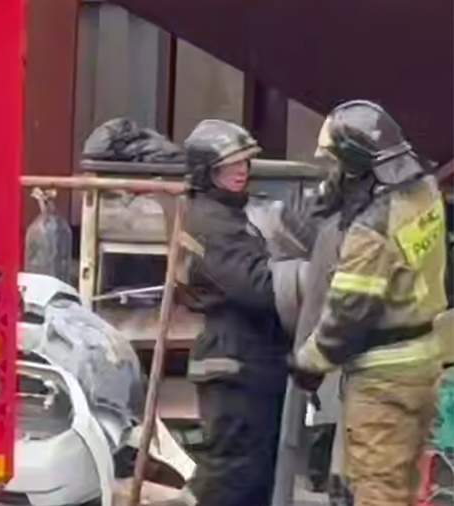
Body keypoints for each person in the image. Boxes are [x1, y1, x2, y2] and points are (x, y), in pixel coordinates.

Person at [289, 100, 448, 506]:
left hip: (382, 382)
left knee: (378, 491)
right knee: (406, 488)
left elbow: (348, 314)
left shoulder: (371, 229)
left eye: (337, 163)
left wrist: (308, 363)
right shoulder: (425, 192)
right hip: (424, 363)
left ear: (355, 163)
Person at [160, 119, 291, 506]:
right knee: (234, 475)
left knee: (254, 474)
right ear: (206, 171)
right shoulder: (211, 223)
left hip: (250, 355)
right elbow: (257, 287)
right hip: (235, 358)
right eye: (228, 165)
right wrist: (307, 273)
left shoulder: (229, 213)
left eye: (244, 162)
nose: (241, 171)